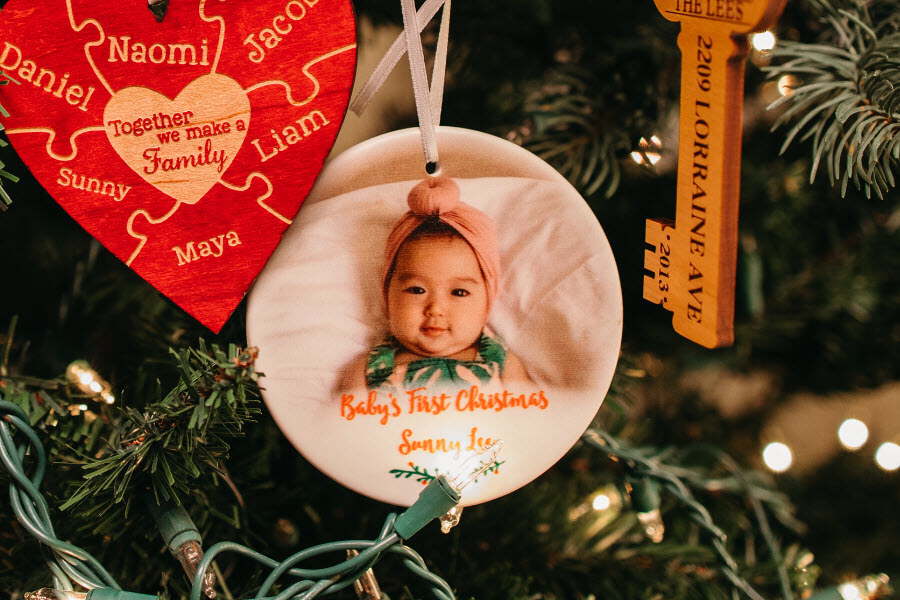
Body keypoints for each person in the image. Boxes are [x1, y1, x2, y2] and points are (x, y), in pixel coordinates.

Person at [336, 176, 530, 394]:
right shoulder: (368, 369)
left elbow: (534, 421)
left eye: (459, 292)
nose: (435, 309)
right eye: (417, 290)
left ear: (488, 301)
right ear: (387, 295)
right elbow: (344, 425)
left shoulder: (500, 362)